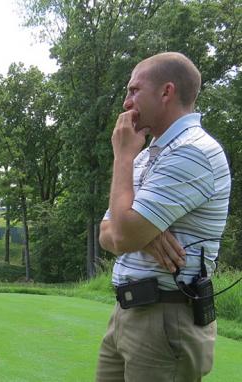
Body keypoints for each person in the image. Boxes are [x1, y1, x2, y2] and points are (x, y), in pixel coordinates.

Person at [96, 52, 231, 381]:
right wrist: (147, 234)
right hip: (128, 313)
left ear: (166, 92)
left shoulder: (192, 151)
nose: (127, 102)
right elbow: (107, 234)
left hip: (166, 318)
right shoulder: (150, 155)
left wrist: (123, 155)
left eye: (133, 90)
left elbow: (123, 235)